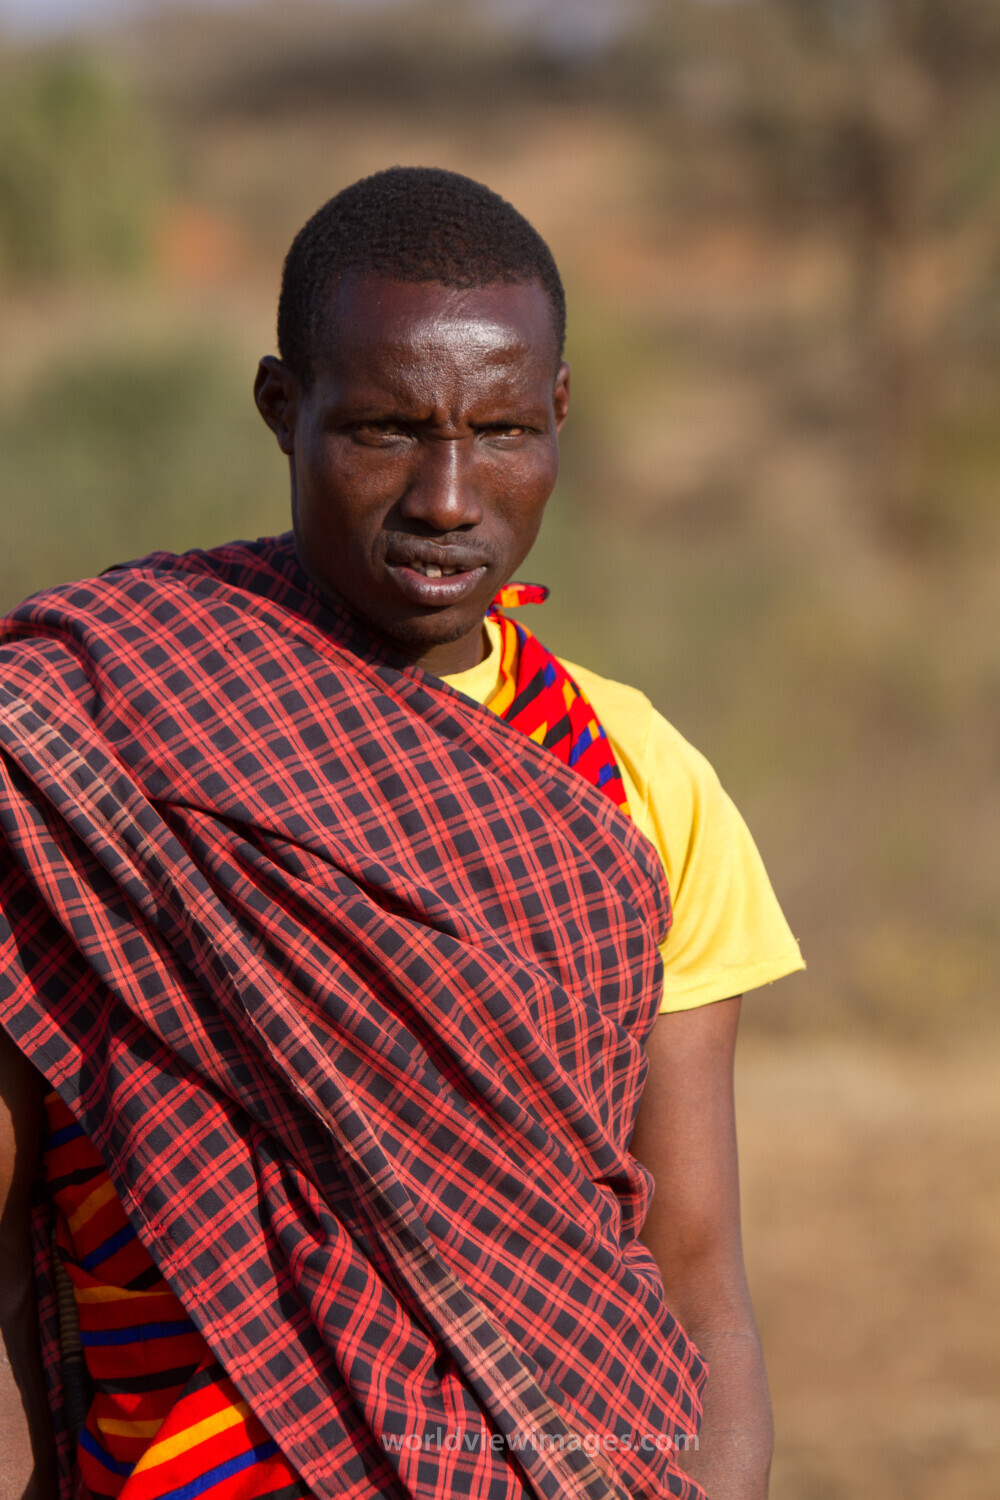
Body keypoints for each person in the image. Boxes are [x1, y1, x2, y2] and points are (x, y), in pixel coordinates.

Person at [0, 167, 802, 1500]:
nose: (445, 496)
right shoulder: (72, 742)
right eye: (383, 429)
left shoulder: (634, 781)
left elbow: (695, 1272)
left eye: (499, 432)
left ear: (559, 417)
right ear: (283, 410)